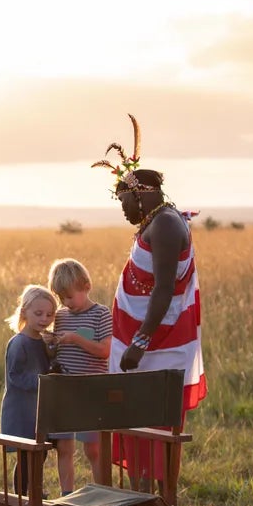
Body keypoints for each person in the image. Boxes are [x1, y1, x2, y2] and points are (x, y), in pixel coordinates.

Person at [92, 117, 207, 471]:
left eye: (124, 200)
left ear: (141, 195)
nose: (123, 208)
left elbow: (163, 288)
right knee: (138, 421)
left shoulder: (168, 225)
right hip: (142, 343)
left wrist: (140, 342)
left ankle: (159, 504)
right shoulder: (157, 222)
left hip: (157, 346)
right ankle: (144, 501)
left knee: (155, 424)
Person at [44, 257, 111, 487]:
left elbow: (104, 351)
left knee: (93, 449)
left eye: (70, 296)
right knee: (64, 447)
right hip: (65, 391)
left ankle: (103, 494)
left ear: (86, 287)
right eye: (61, 298)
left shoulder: (101, 314)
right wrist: (51, 345)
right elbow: (57, 354)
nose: (66, 303)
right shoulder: (60, 316)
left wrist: (75, 339)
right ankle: (67, 496)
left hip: (92, 393)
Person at [0, 284, 56, 495]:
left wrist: (52, 354)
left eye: (49, 314)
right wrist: (42, 382)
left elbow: (47, 366)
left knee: (41, 453)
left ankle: (34, 490)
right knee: (25, 455)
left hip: (38, 408)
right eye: (38, 313)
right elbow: (15, 376)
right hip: (21, 409)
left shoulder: (43, 342)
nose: (44, 319)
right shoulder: (19, 343)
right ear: (24, 312)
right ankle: (22, 496)